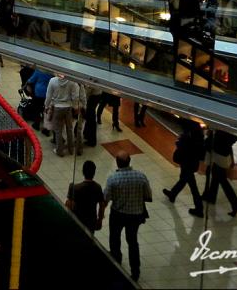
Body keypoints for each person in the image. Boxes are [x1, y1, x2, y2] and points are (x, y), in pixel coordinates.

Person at [99, 151, 152, 282]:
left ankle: (116, 259)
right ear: (129, 161)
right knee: (132, 242)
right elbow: (148, 196)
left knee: (115, 238)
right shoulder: (141, 176)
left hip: (117, 214)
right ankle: (135, 271)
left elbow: (105, 199)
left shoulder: (113, 179)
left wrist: (101, 215)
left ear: (117, 162)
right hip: (135, 215)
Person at [162, 119, 205, 217]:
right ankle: (173, 194)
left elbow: (184, 146)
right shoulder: (199, 136)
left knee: (192, 185)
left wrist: (179, 142)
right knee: (184, 179)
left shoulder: (189, 137)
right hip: (191, 163)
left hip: (187, 162)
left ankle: (199, 208)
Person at [201, 129, 237, 217]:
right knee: (217, 178)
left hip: (218, 156)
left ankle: (235, 204)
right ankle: (212, 197)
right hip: (221, 156)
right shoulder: (227, 131)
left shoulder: (222, 132)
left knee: (223, 181)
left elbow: (215, 141)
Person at [45, 74, 84, 156]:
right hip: (68, 108)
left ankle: (60, 151)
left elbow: (48, 96)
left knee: (58, 130)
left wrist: (46, 106)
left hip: (57, 107)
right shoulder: (72, 82)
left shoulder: (52, 81)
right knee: (69, 129)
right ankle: (71, 149)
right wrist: (75, 107)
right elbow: (75, 96)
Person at [65, 160, 104, 234]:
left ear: (83, 172)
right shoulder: (98, 187)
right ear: (94, 173)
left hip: (77, 220)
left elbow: (69, 205)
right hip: (91, 221)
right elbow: (102, 205)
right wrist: (100, 220)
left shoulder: (75, 188)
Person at [23, 68, 52, 132]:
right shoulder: (51, 72)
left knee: (37, 109)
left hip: (39, 93)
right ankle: (46, 128)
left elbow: (31, 80)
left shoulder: (39, 70)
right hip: (48, 93)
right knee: (46, 110)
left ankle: (37, 124)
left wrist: (26, 84)